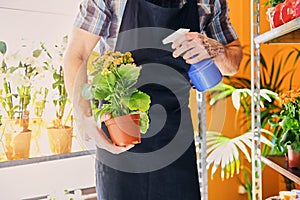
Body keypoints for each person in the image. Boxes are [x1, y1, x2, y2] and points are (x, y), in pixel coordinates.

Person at [63, 0, 243, 199]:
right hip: (118, 133)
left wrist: (213, 48)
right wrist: (86, 120)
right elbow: (76, 53)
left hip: (175, 136)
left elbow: (232, 64)